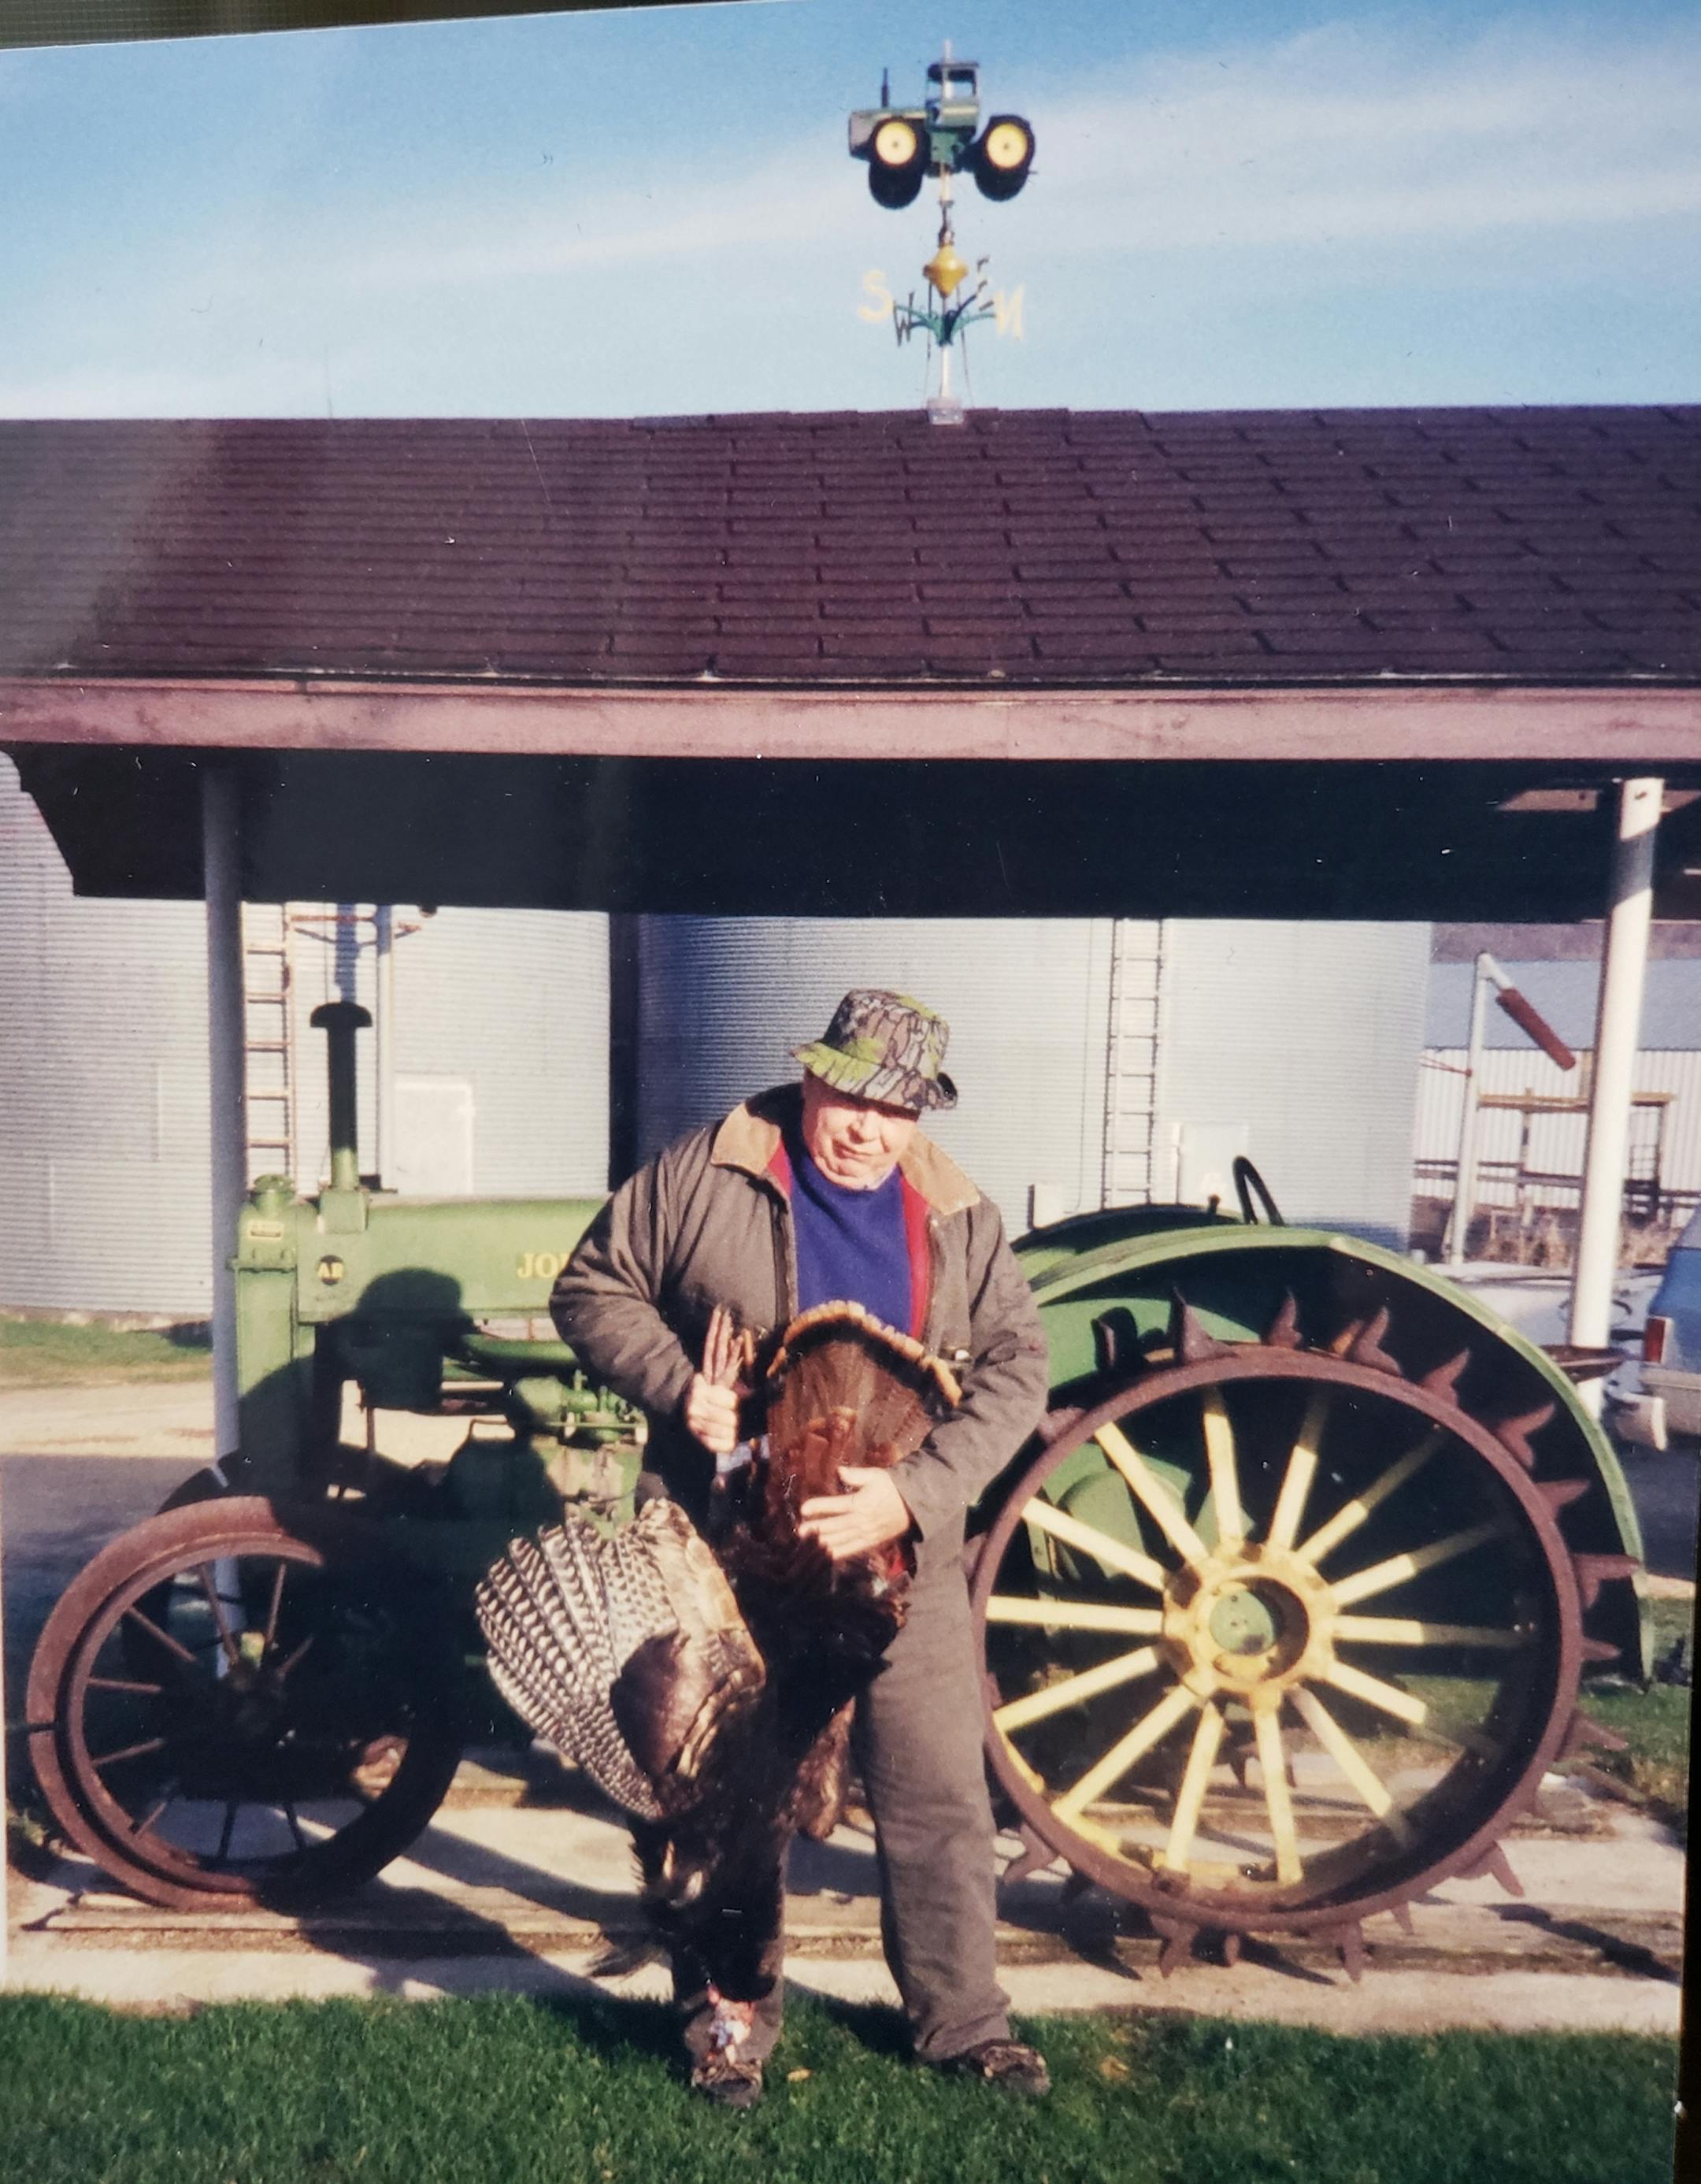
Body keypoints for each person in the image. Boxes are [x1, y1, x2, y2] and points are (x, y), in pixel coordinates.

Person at [550, 988, 1053, 2107]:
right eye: (851, 1096)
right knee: (729, 1799)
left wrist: (914, 1495)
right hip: (732, 1557)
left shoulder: (956, 1212)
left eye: (897, 1108)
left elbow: (1022, 1367)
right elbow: (590, 1286)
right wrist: (682, 1388)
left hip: (896, 1557)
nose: (867, 1127)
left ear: (920, 1114)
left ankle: (963, 2022)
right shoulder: (711, 1169)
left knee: (934, 1793)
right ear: (812, 1077)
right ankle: (728, 2025)